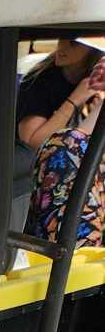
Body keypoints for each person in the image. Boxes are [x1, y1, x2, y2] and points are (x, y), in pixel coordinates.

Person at [17, 35, 105, 247]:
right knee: (69, 143)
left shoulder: (97, 82)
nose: (62, 47)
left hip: (85, 182)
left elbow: (90, 147)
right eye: (61, 39)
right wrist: (75, 100)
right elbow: (33, 142)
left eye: (73, 43)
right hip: (35, 179)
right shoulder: (40, 81)